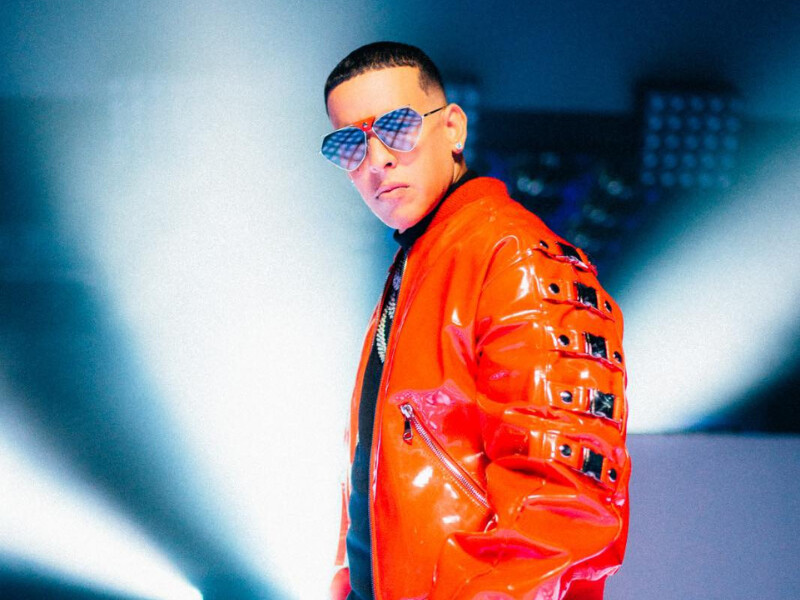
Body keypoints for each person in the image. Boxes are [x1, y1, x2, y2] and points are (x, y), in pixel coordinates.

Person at [321, 41, 630, 600]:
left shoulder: (513, 257)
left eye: (397, 127)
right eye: (350, 143)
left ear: (453, 129)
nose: (377, 159)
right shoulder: (417, 269)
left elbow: (562, 505)